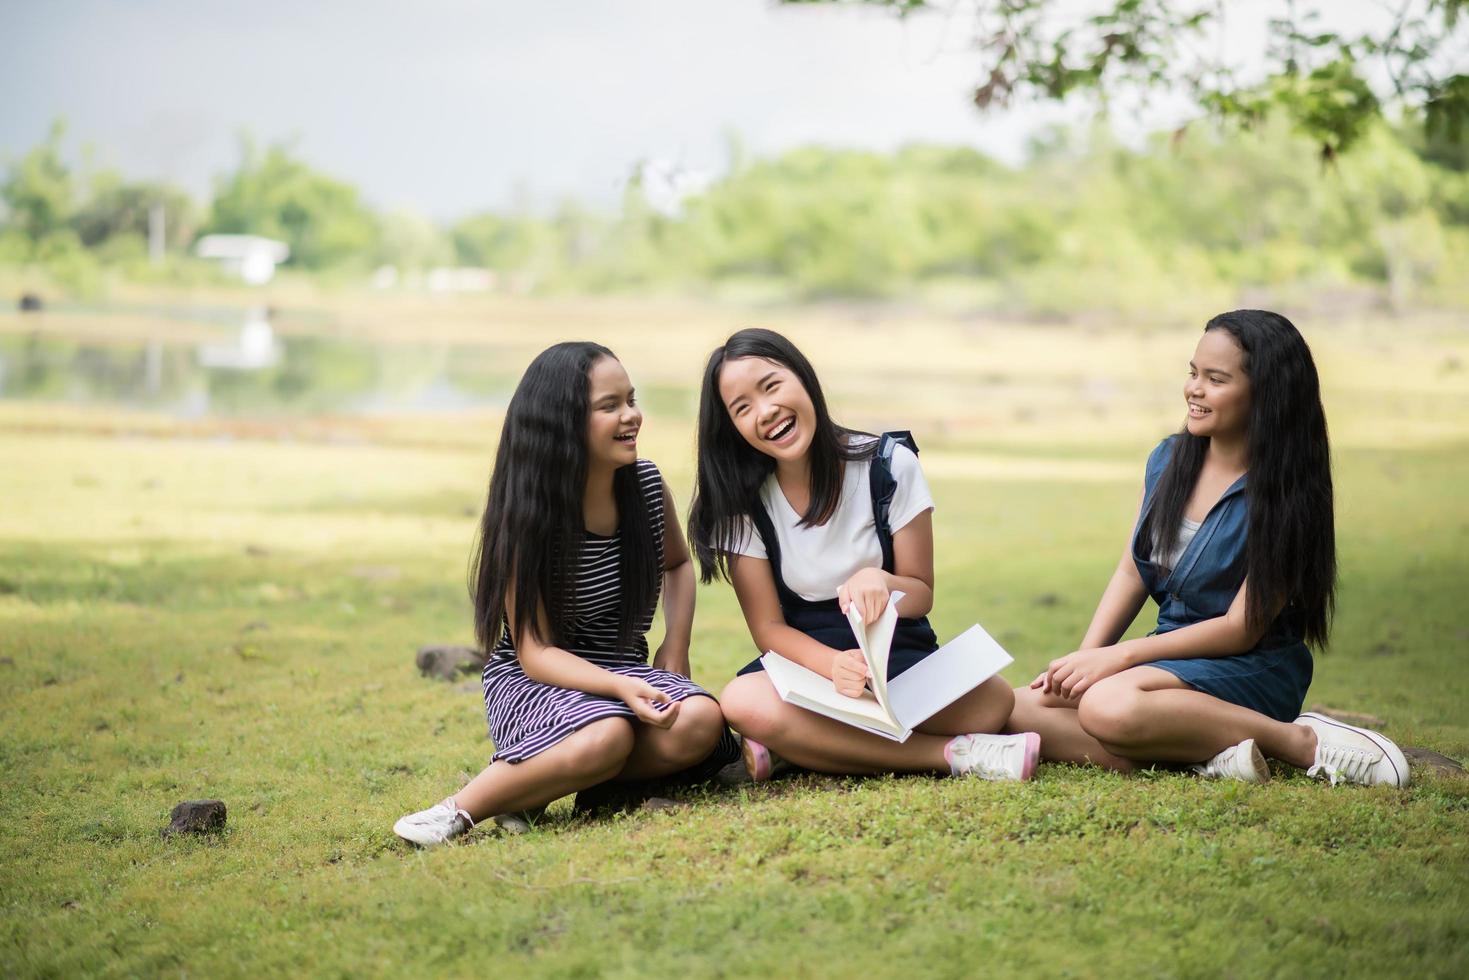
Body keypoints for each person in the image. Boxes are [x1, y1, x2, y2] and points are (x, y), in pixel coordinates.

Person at [1007, 310, 1409, 786]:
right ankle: (1210, 754)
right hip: (1166, 661)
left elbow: (1241, 629)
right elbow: (1132, 572)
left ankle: (1296, 741)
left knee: (1108, 706)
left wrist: (1118, 659)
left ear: (1267, 393)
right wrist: (1082, 662)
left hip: (1250, 666)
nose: (1195, 389)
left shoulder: (1286, 492)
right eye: (1193, 373)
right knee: (1011, 707)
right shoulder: (1168, 460)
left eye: (1216, 379)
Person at [394, 342, 737, 847]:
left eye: (632, 400)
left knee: (701, 721)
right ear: (563, 423)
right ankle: (459, 810)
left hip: (623, 668)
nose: (632, 416)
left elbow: (679, 564)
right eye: (610, 406)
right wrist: (620, 690)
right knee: (609, 735)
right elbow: (535, 653)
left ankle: (557, 780)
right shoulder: (529, 517)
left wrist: (675, 645)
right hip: (537, 682)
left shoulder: (644, 486)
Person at [688, 328, 1039, 782]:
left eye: (772, 386)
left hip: (898, 660)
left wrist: (884, 582)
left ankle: (799, 747)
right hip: (809, 669)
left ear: (803, 377)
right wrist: (831, 666)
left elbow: (921, 592)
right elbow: (768, 628)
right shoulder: (742, 503)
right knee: (741, 700)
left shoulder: (889, 466)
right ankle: (955, 755)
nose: (766, 411)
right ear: (732, 427)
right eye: (742, 408)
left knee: (994, 700)